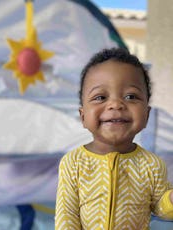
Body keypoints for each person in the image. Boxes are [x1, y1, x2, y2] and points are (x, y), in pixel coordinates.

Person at [55, 48, 173, 229]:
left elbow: (159, 208)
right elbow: (66, 216)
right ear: (83, 116)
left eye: (131, 96)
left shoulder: (152, 165)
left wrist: (170, 200)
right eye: (100, 97)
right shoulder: (73, 163)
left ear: (147, 114)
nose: (116, 104)